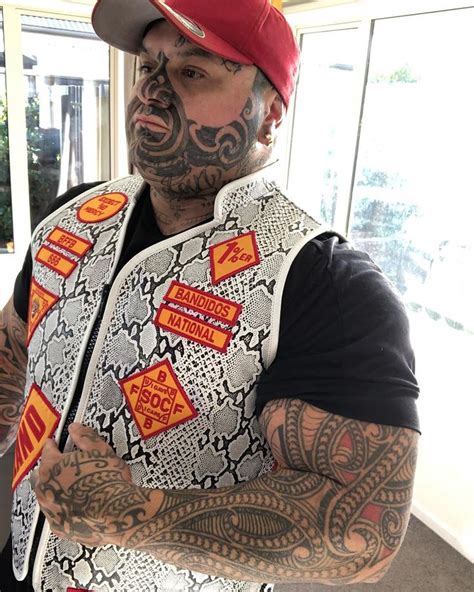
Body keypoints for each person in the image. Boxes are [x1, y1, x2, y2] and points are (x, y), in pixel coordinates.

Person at [0, 0, 420, 590]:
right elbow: (17, 344)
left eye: (192, 71)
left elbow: (363, 532)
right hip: (23, 560)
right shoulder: (74, 217)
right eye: (148, 66)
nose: (150, 92)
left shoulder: (322, 282)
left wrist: (131, 515)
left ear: (269, 116)